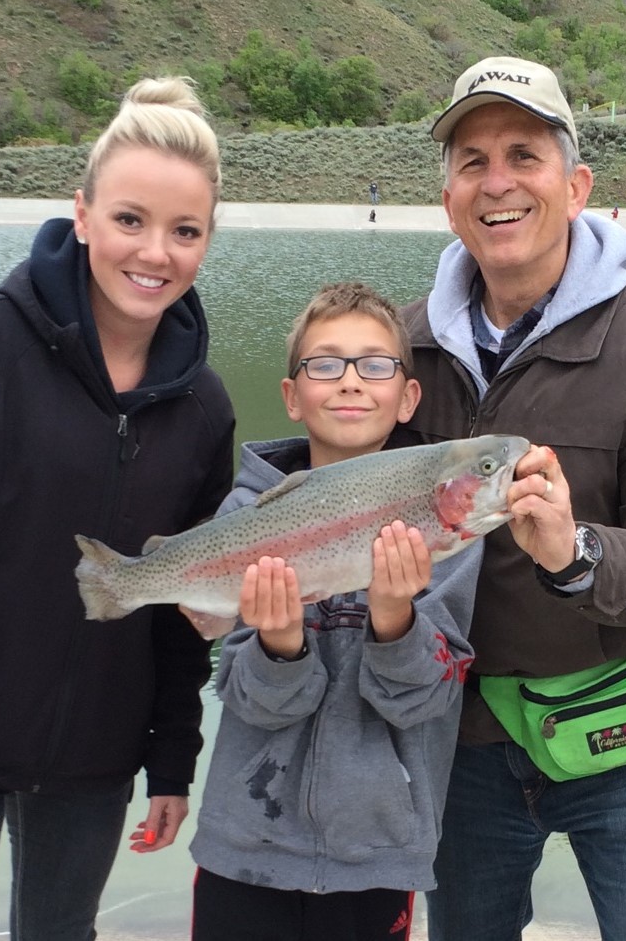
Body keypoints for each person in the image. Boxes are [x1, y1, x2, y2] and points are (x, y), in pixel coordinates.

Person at [0, 77, 237, 941]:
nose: (156, 252)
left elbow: (183, 592)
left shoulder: (202, 406)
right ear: (83, 214)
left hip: (95, 760)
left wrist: (171, 758)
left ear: (207, 241)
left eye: (185, 231)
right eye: (131, 219)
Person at [402, 56, 626, 941]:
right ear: (448, 195)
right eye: (471, 160)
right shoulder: (399, 347)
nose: (497, 183)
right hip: (463, 743)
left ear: (576, 183)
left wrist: (577, 553)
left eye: (524, 154)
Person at [188, 282, 478, 941]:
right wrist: (281, 644)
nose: (350, 381)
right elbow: (251, 701)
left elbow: (424, 701)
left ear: (408, 397)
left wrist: (396, 619)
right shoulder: (245, 518)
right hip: (244, 851)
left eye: (375, 364)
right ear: (293, 395)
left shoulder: (445, 530)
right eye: (325, 364)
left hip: (377, 861)